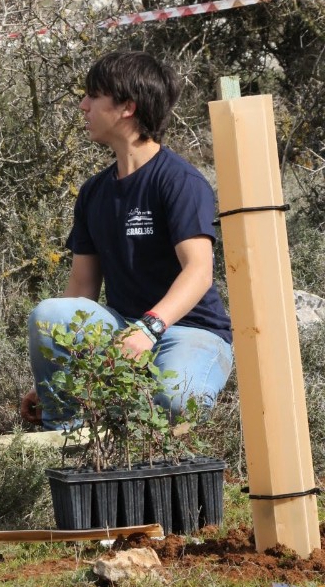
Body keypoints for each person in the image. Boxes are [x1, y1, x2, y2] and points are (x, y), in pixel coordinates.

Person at [22, 49, 233, 430]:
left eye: (93, 96)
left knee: (174, 400)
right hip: (123, 331)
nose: (83, 105)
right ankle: (68, 438)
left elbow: (199, 272)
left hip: (189, 331)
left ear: (127, 108)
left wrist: (149, 330)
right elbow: (81, 291)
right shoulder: (93, 193)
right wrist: (53, 377)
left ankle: (135, 424)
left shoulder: (180, 182)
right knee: (49, 315)